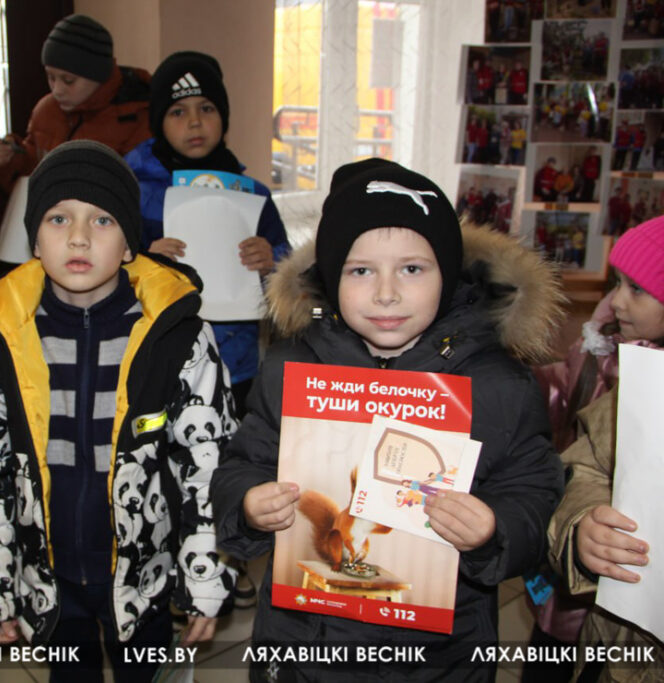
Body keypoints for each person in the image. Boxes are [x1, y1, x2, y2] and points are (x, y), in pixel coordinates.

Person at [211, 159, 565, 680]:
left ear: (447, 273)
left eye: (412, 269)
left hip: (438, 656)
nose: (386, 292)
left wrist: (495, 528)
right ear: (331, 276)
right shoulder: (293, 367)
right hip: (306, 645)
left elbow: (535, 489)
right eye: (360, 271)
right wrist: (247, 503)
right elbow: (242, 462)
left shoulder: (497, 383)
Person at [0, 140, 236, 681]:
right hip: (47, 578)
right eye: (58, 218)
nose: (78, 237)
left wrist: (205, 575)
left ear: (129, 244)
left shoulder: (178, 338)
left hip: (146, 577)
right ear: (35, 239)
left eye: (102, 220)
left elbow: (208, 462)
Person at [124, 50, 290, 415]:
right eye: (178, 112)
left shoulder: (253, 195)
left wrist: (272, 262)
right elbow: (104, 271)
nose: (195, 122)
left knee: (234, 444)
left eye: (207, 108)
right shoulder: (132, 192)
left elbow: (293, 282)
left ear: (224, 118)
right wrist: (145, 262)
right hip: (157, 359)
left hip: (236, 364)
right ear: (158, 121)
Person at [546, 216, 664, 682]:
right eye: (618, 283)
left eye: (637, 289)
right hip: (616, 637)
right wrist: (583, 524)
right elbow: (590, 463)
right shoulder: (616, 355)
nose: (616, 300)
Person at [0, 14, 151, 193]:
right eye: (51, 77)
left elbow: (141, 189)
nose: (57, 90)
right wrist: (12, 158)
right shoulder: (46, 110)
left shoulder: (136, 114)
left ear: (99, 76)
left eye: (68, 80)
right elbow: (32, 169)